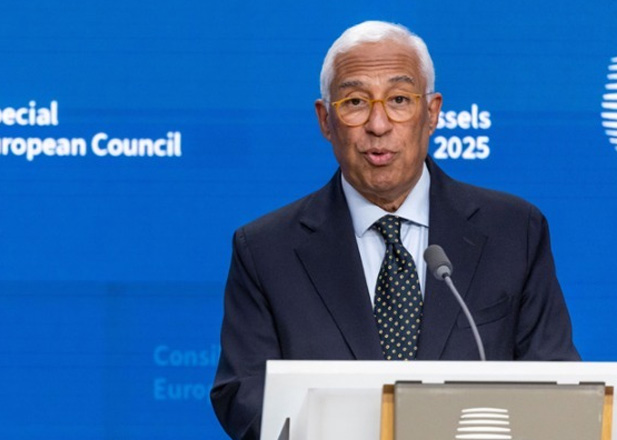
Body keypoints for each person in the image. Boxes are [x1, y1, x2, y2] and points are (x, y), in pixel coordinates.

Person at [210, 20, 580, 440]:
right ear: (326, 120)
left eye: (399, 99)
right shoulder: (265, 250)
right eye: (355, 102)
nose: (378, 124)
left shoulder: (514, 231)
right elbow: (243, 393)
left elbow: (556, 381)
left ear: (432, 112)